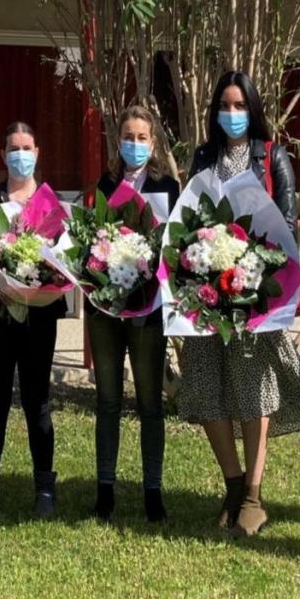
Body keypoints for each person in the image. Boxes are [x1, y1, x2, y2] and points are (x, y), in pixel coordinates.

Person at [180, 70, 300, 537]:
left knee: (253, 389)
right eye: (225, 105)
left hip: (256, 291)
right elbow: (190, 217)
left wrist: (260, 276)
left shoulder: (273, 157)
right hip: (206, 293)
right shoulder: (203, 156)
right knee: (206, 385)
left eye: (240, 106)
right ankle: (233, 486)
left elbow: (286, 225)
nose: (232, 114)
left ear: (252, 110)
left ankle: (254, 498)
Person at [0, 121, 64, 520]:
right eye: (13, 148)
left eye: (26, 147)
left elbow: (62, 260)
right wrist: (0, 286)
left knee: (37, 402)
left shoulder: (48, 202)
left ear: (37, 152)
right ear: (2, 155)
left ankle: (44, 488)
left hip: (40, 315)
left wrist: (37, 286)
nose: (20, 154)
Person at [87, 106, 180, 523]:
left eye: (142, 138)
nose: (135, 144)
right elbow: (89, 240)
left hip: (149, 309)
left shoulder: (169, 186)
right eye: (128, 136)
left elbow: (177, 247)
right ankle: (105, 490)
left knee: (149, 404)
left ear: (154, 144)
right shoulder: (103, 184)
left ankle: (152, 492)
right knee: (107, 400)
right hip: (106, 307)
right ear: (117, 140)